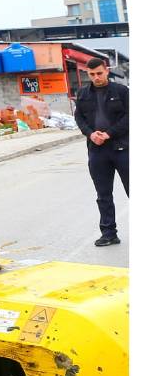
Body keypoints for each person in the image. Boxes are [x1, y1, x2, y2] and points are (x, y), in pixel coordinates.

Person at [73, 57, 129, 246]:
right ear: (87, 74)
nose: (96, 77)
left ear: (106, 71)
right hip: (97, 151)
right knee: (103, 195)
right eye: (92, 74)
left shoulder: (121, 91)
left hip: (122, 148)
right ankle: (109, 234)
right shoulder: (82, 93)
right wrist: (90, 134)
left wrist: (109, 134)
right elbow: (79, 117)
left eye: (99, 73)